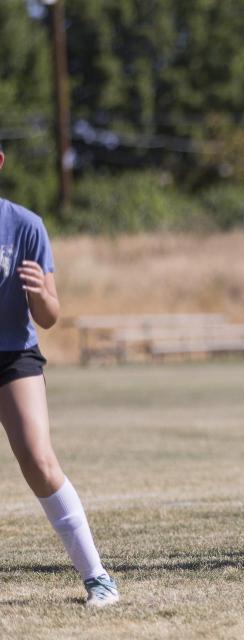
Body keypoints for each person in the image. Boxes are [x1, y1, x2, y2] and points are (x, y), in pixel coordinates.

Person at [0, 145, 119, 607]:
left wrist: (38, 292)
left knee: (39, 460)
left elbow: (49, 317)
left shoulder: (26, 225)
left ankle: (98, 579)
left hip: (14, 358)